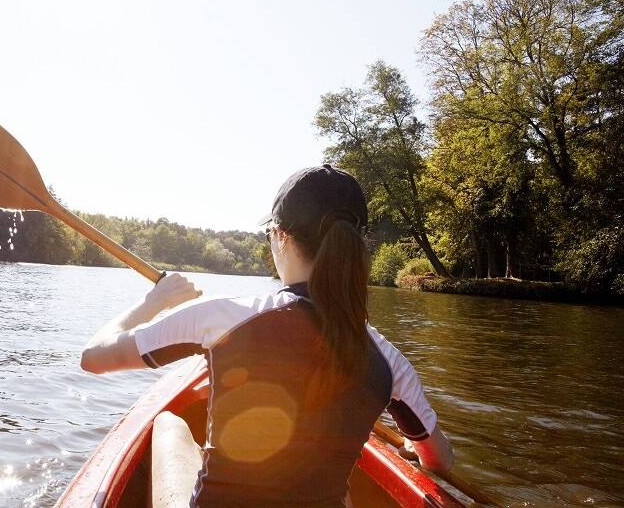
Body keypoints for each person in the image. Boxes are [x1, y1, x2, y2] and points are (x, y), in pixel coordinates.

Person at [81, 165, 453, 507]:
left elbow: (94, 357)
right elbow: (438, 459)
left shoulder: (222, 316)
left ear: (279, 236)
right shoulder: (390, 361)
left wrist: (155, 301)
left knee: (168, 424)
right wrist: (410, 442)